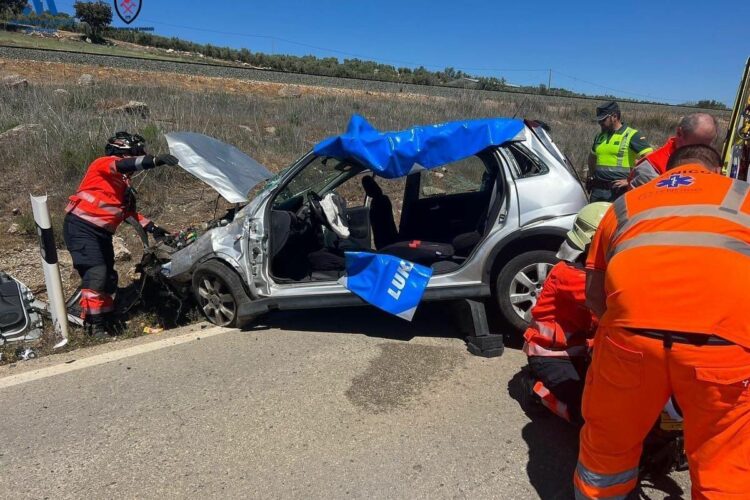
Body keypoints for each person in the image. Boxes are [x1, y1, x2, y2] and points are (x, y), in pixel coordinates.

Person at [574, 144, 750, 499]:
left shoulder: (623, 206)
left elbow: (593, 294)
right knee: (724, 462)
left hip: (630, 343)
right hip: (722, 348)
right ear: (717, 170)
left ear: (668, 170)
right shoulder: (743, 196)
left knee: (608, 448)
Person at [63, 131, 179, 337]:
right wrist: (155, 160)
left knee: (108, 277)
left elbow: (127, 213)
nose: (139, 154)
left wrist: (153, 228)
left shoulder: (123, 183)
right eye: (136, 151)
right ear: (124, 151)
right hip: (81, 227)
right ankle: (94, 325)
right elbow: (124, 165)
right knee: (96, 273)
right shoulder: (103, 163)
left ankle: (108, 319)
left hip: (101, 233)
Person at [523, 202, 610, 424]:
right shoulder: (571, 275)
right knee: (585, 414)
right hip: (551, 355)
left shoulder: (593, 271)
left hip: (582, 351)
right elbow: (615, 303)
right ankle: (537, 390)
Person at [628, 113, 718, 188]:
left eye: (707, 146)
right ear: (679, 133)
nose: (703, 152)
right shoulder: (651, 168)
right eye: (696, 146)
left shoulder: (712, 165)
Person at [587, 101, 653, 202]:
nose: (600, 123)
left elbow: (652, 159)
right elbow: (592, 157)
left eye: (603, 120)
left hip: (619, 192)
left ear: (614, 116)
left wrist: (631, 180)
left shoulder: (632, 135)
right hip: (598, 190)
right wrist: (590, 176)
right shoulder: (600, 136)